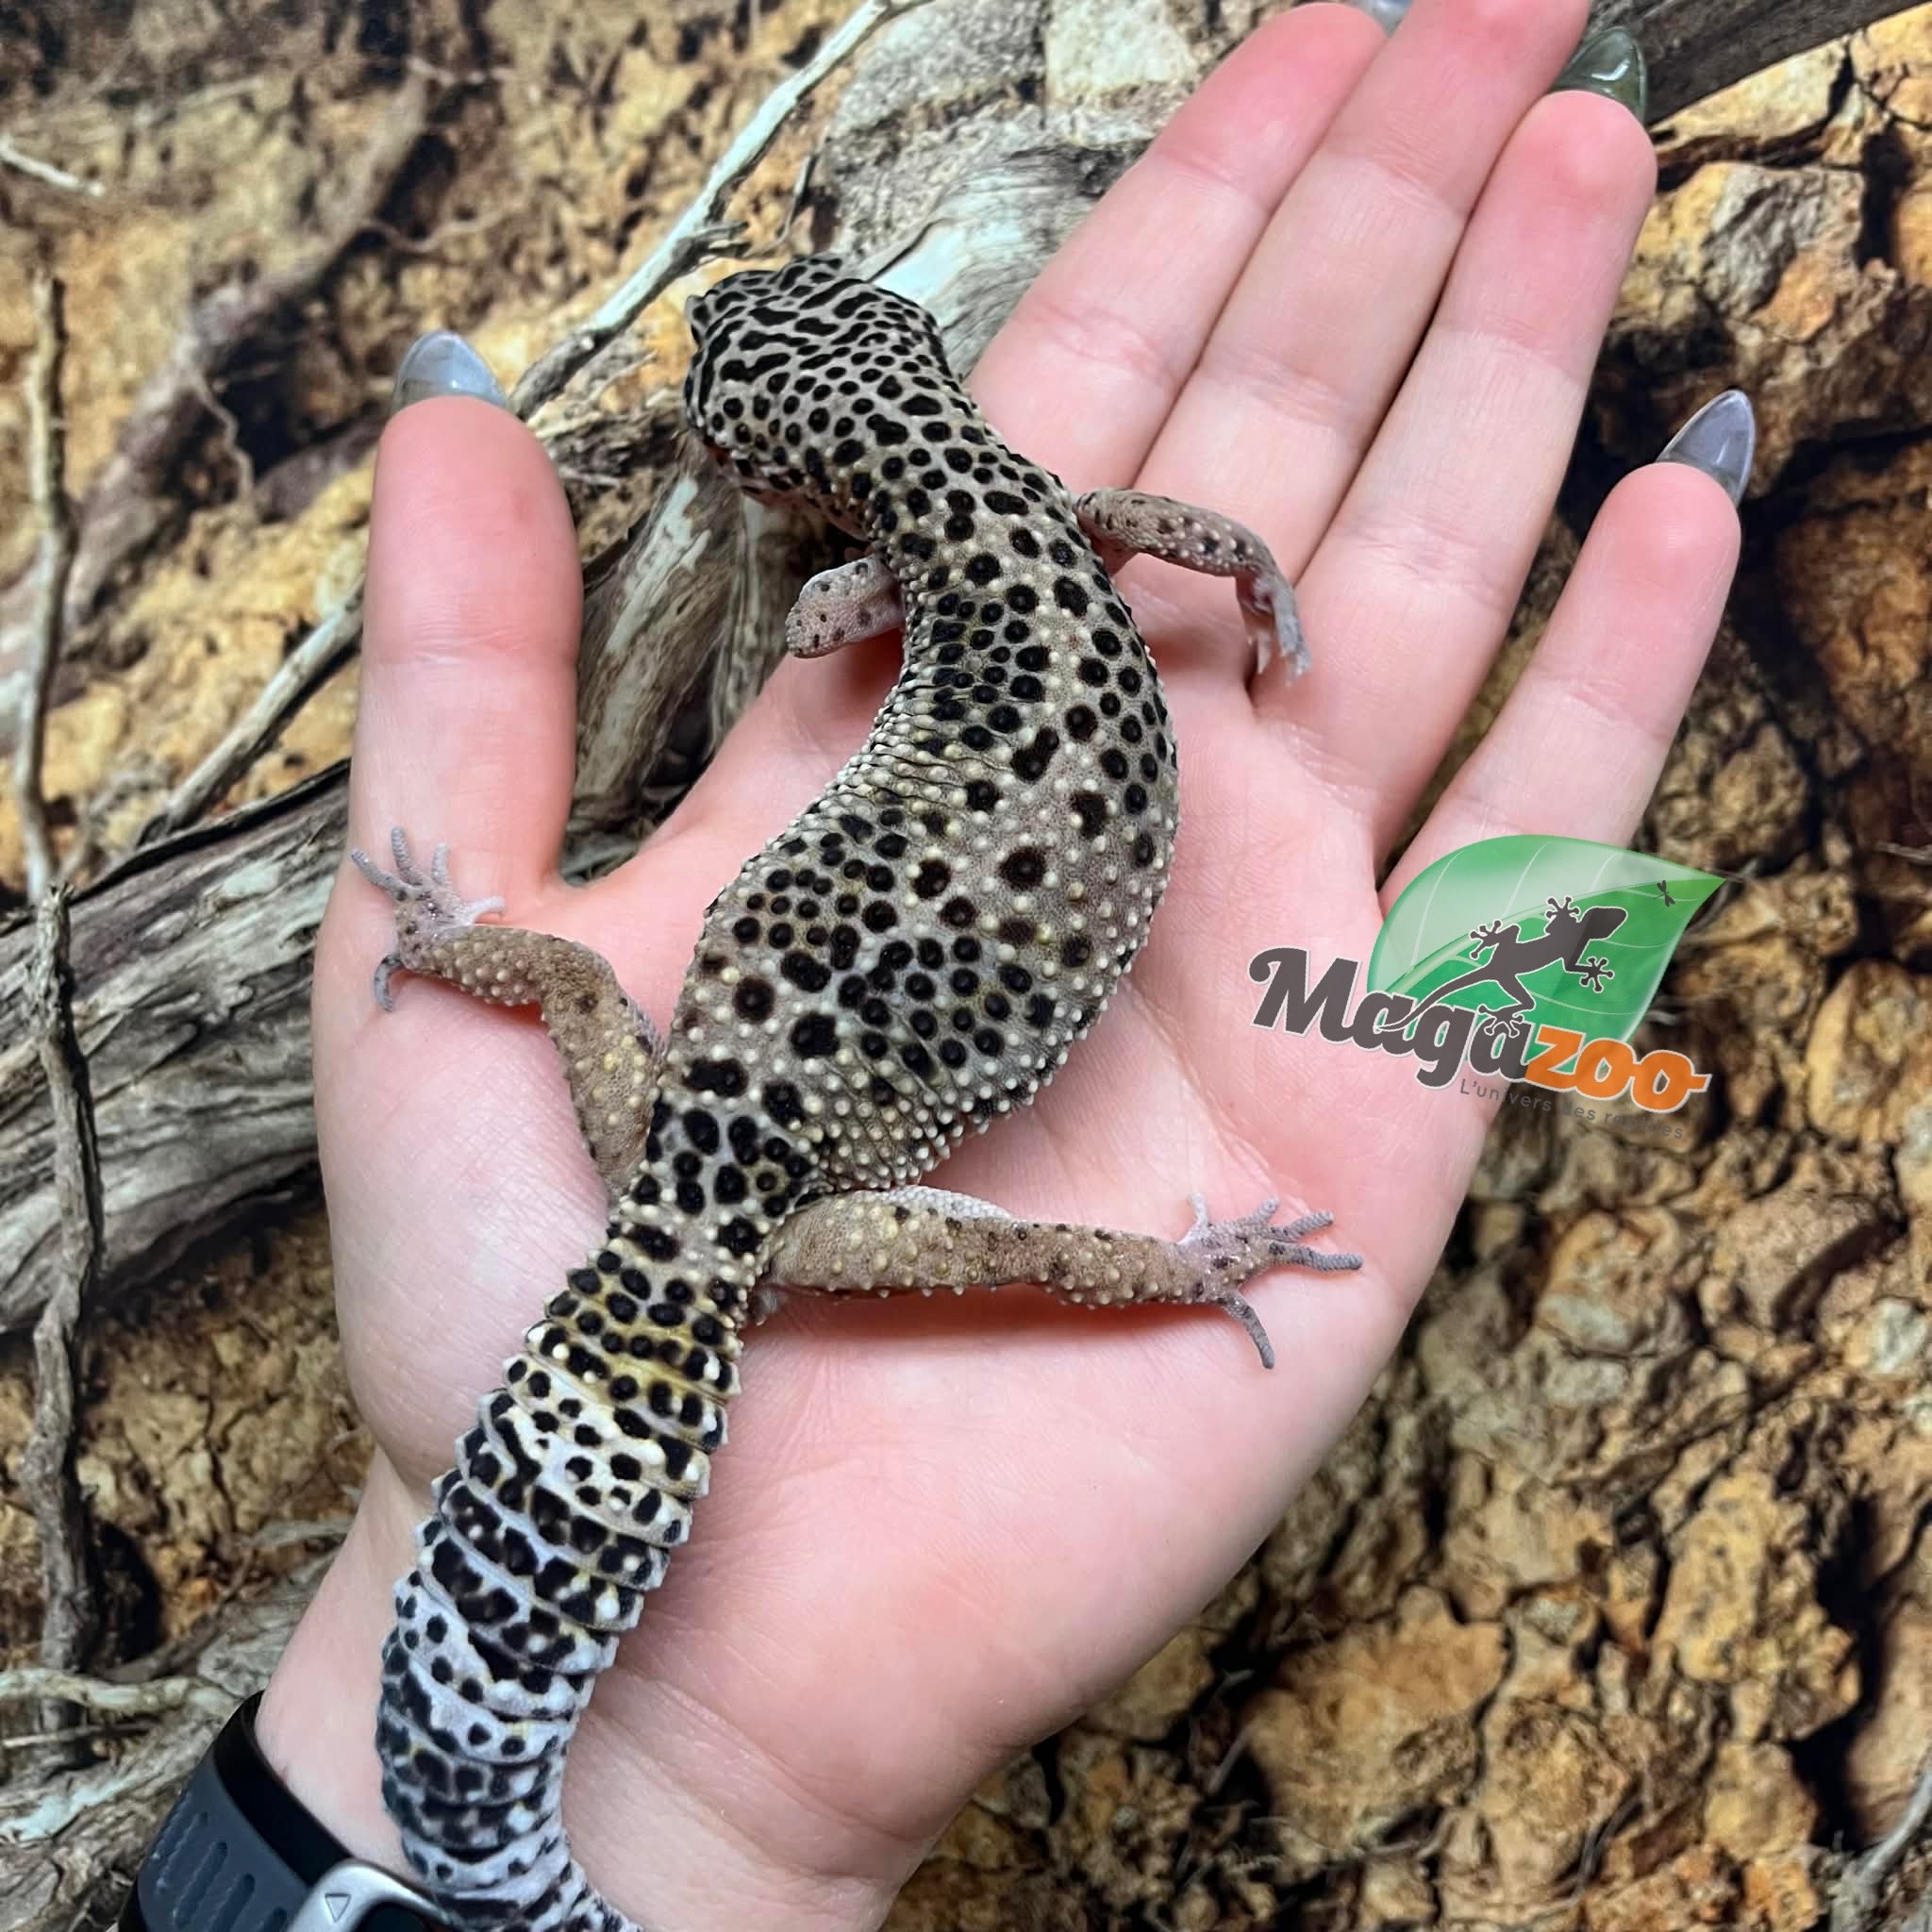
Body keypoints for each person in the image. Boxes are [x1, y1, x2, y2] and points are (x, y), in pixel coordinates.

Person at [124, 1, 1750, 1926]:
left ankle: (1181, 1269)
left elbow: (824, 631)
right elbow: (1176, 531)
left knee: (802, 1124)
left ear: (799, 457)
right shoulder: (1055, 519)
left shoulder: (873, 587)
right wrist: (1253, 578)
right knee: (1022, 1242)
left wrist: (459, 938)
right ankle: (1192, 1274)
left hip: (709, 1129)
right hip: (786, 1162)